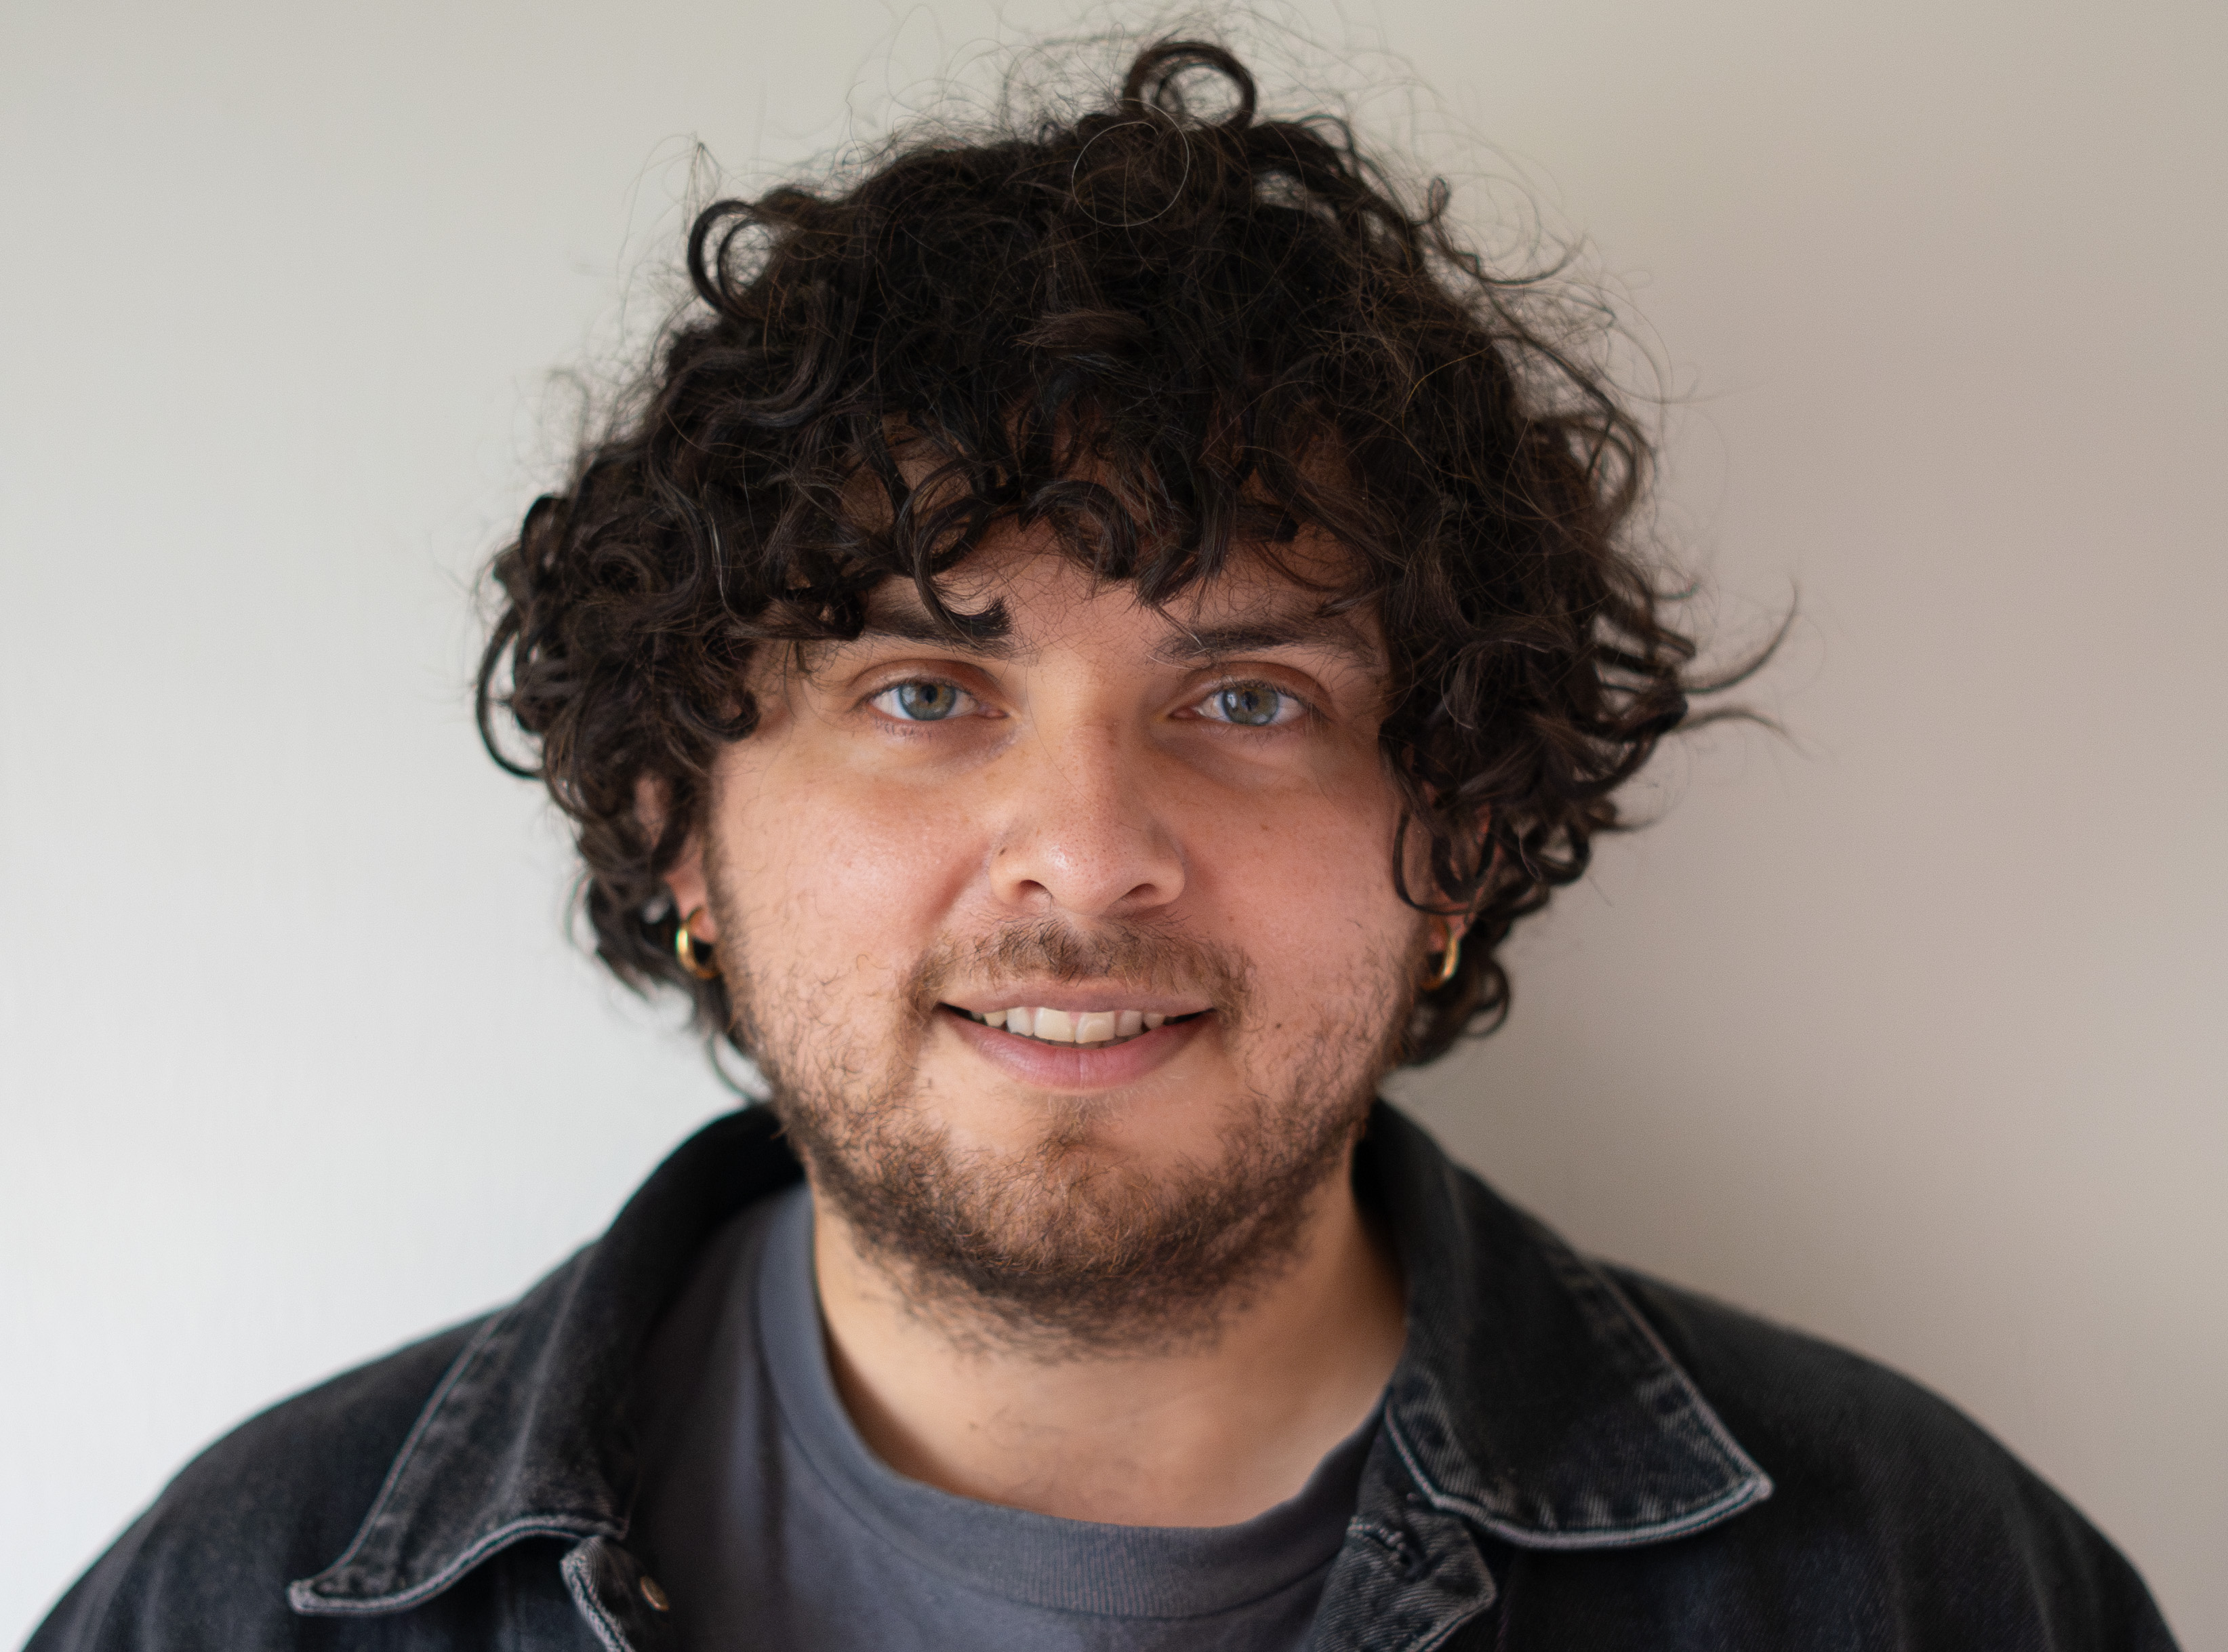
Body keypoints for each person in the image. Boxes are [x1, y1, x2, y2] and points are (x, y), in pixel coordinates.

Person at [28, 37, 2176, 1652]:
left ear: (1458, 829)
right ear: (679, 829)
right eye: (922, 695)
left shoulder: (1930, 1585)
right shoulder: (241, 1604)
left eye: (1249, 703)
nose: (1086, 853)